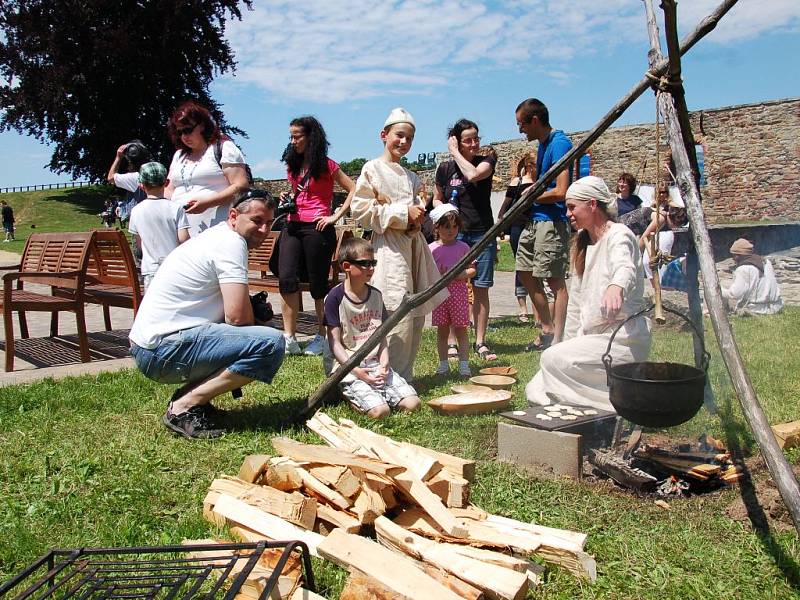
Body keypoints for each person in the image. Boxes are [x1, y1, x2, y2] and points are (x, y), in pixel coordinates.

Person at [129, 188, 285, 439]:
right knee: (270, 343)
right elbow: (237, 318)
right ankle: (183, 406)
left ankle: (196, 402)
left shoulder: (216, 237)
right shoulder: (231, 243)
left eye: (269, 223)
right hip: (162, 350)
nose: (265, 230)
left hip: (152, 344)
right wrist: (259, 320)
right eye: (257, 221)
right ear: (233, 215)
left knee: (255, 336)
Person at [525, 176, 651, 412]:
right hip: (591, 340)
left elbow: (625, 267)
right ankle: (591, 401)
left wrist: (617, 287)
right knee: (535, 388)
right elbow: (576, 307)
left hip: (622, 340)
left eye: (572, 207)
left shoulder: (619, 234)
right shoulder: (583, 243)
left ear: (592, 205)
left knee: (551, 360)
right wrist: (568, 344)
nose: (568, 214)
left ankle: (618, 406)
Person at [350, 107, 447, 382]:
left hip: (414, 247)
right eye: (399, 136)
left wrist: (416, 217)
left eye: (409, 138)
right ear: (384, 135)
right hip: (390, 248)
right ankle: (388, 374)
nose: (403, 142)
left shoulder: (411, 176)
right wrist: (402, 214)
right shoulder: (372, 169)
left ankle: (406, 374)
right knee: (395, 307)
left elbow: (418, 206)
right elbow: (361, 210)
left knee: (416, 312)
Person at [278, 116, 355, 356]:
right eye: (290, 136)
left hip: (318, 228)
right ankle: (289, 338)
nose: (293, 141)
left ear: (311, 137)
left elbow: (353, 189)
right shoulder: (292, 164)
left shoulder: (328, 165)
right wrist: (285, 198)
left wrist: (334, 216)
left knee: (318, 284)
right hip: (292, 225)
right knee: (287, 279)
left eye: (297, 136)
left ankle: (322, 337)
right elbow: (298, 194)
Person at [324, 237, 421, 419]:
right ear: (346, 266)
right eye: (364, 264)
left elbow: (381, 335)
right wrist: (356, 371)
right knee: (380, 412)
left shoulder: (376, 295)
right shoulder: (335, 298)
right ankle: (349, 393)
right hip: (348, 365)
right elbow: (335, 343)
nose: (371, 268)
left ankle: (378, 394)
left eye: (373, 263)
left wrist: (385, 363)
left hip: (376, 363)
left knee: (413, 404)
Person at [433, 118, 497, 361]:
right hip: (454, 235)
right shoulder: (444, 169)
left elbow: (471, 175)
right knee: (452, 285)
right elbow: (437, 198)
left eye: (476, 138)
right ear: (457, 141)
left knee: (481, 287)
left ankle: (480, 341)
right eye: (467, 140)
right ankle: (451, 341)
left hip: (482, 232)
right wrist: (445, 210)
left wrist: (454, 152)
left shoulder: (486, 161)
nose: (474, 144)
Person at [514, 98, 572, 351]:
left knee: (555, 281)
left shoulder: (559, 143)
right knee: (525, 272)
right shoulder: (542, 145)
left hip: (552, 221)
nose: (520, 130)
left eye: (521, 124)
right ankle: (546, 327)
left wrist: (530, 196)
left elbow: (561, 191)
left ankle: (558, 339)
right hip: (536, 219)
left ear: (534, 120)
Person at [164, 100, 250, 237]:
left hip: (216, 232)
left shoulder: (223, 148)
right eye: (180, 132)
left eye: (188, 130)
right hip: (180, 233)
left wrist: (208, 203)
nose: (184, 137)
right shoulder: (179, 155)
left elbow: (241, 185)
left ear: (202, 125)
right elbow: (169, 189)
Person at [428, 204, 476, 378]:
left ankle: (464, 365)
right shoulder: (431, 249)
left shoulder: (463, 247)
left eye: (454, 226)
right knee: (442, 330)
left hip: (459, 294)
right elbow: (427, 272)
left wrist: (460, 274)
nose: (451, 230)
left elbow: (472, 269)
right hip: (440, 295)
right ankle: (443, 365)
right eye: (446, 226)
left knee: (461, 329)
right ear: (437, 227)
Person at [127, 162, 190, 290]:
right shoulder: (176, 208)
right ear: (166, 183)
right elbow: (184, 240)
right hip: (175, 268)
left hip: (151, 269)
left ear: (141, 185)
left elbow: (139, 245)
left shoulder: (136, 210)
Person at [498, 151, 537, 322]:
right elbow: (505, 205)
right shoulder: (518, 182)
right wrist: (500, 223)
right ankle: (523, 308)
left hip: (536, 226)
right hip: (517, 227)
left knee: (537, 268)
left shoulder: (541, 182)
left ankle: (538, 310)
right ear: (529, 166)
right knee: (522, 266)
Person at [721, 238, 783, 315]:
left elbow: (734, 294)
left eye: (734, 255)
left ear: (740, 255)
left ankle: (712, 312)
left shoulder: (743, 269)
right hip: (776, 307)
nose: (733, 258)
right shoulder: (766, 262)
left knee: (722, 287)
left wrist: (718, 289)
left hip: (757, 310)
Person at [107, 140, 152, 229]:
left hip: (142, 223)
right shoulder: (157, 173)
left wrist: (118, 157)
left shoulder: (135, 177)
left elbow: (111, 178)